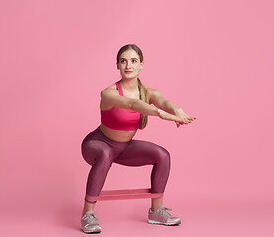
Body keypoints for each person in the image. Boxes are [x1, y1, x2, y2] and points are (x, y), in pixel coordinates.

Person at [80, 44, 196, 234]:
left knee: (162, 155)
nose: (128, 65)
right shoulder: (109, 93)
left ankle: (156, 211)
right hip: (96, 144)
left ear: (142, 64)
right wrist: (159, 114)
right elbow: (132, 103)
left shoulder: (148, 92)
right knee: (105, 152)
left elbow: (163, 101)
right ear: (117, 65)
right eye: (123, 61)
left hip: (123, 148)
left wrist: (177, 110)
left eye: (134, 61)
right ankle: (87, 214)